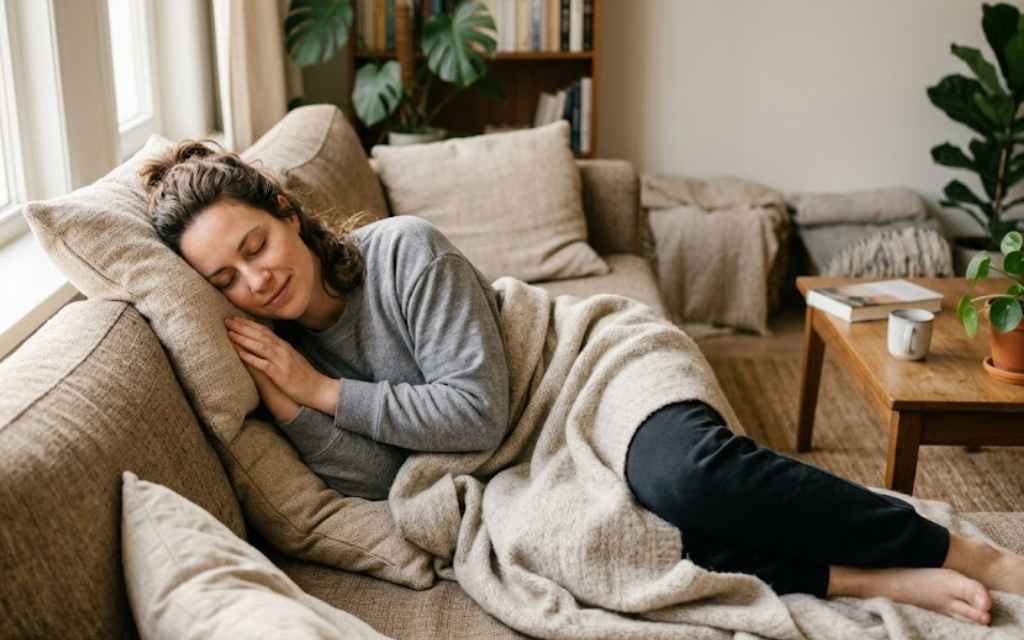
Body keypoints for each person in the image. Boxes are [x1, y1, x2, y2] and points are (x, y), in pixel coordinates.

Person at [142, 141, 1024, 627]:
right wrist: (296, 402)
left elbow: (475, 408)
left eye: (255, 246)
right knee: (606, 547)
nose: (255, 281)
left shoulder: (402, 251)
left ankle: (956, 551)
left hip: (584, 369)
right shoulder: (279, 358)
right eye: (224, 280)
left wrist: (325, 395)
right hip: (516, 465)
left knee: (686, 480)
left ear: (286, 214)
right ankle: (857, 577)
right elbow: (383, 477)